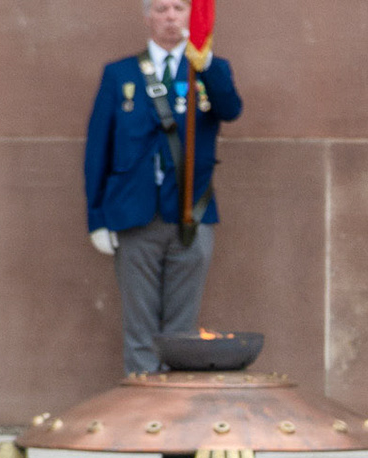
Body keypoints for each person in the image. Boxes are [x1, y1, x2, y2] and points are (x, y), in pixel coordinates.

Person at [84, 0, 243, 374]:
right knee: (139, 329)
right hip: (134, 214)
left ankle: (174, 416)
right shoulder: (119, 74)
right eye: (161, 8)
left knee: (181, 332)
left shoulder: (210, 69)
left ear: (192, 15)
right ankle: (142, 413)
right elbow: (97, 151)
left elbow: (230, 109)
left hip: (191, 214)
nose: (170, 16)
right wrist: (97, 218)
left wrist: (205, 67)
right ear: (147, 17)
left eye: (179, 8)